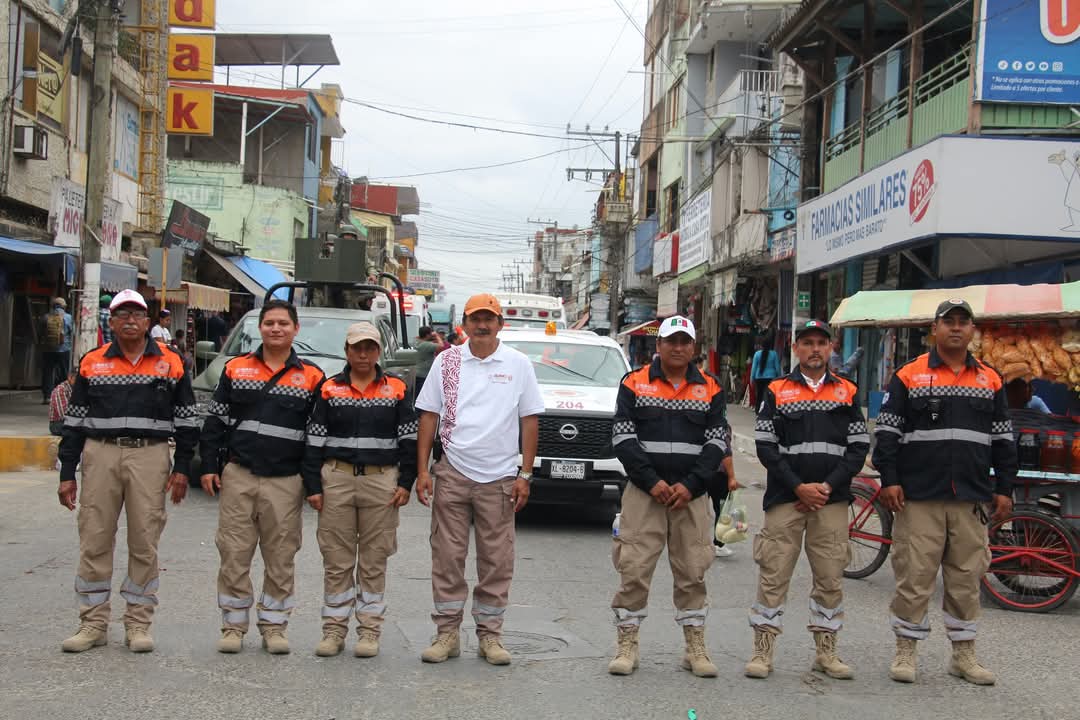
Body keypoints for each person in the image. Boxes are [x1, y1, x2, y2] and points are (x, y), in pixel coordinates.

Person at [874, 299, 1018, 686]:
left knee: (967, 578)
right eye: (948, 321)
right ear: (934, 329)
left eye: (962, 322)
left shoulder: (990, 379)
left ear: (972, 330)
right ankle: (906, 650)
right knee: (914, 576)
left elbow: (1004, 440)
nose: (956, 328)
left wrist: (1004, 487)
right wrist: (890, 479)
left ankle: (963, 655)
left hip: (971, 497)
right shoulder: (909, 375)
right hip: (919, 496)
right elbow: (886, 434)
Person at [57, 289, 196, 653]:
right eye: (122, 314)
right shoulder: (92, 362)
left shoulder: (171, 362)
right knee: (95, 538)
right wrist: (67, 472)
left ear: (147, 322)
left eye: (136, 314)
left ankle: (138, 623)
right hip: (100, 454)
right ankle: (93, 623)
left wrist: (182, 467)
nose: (130, 320)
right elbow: (74, 423)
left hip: (150, 456)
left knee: (144, 541)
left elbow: (186, 421)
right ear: (113, 322)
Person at [414, 293, 545, 666]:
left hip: (500, 477)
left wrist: (525, 473)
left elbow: (530, 419)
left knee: (496, 560)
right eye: (476, 319)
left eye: (489, 319)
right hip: (453, 472)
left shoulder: (518, 364)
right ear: (465, 325)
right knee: (447, 556)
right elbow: (429, 415)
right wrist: (423, 471)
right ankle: (447, 634)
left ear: (500, 324)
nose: (482, 325)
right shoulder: (447, 362)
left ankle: (490, 635)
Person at [607, 316, 732, 678]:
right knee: (634, 569)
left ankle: (695, 648)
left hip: (691, 497)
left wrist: (691, 485)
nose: (678, 348)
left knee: (693, 571)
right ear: (658, 345)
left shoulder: (710, 387)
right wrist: (653, 482)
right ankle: (627, 646)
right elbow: (623, 437)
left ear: (693, 347)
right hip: (645, 494)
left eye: (684, 342)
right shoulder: (633, 383)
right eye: (671, 341)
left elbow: (717, 441)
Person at [200, 300, 325, 655]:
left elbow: (316, 437)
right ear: (260, 328)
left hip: (285, 481)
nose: (276, 329)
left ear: (295, 329)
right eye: (269, 323)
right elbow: (215, 421)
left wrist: (312, 484)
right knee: (233, 553)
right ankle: (233, 626)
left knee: (281, 556)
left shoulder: (312, 377)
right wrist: (208, 465)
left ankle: (274, 627)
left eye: (283, 323)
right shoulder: (236, 368)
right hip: (239, 474)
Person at [746, 319, 868, 680]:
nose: (815, 349)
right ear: (796, 348)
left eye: (821, 343)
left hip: (831, 501)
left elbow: (858, 447)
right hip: (786, 499)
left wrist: (826, 487)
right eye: (808, 343)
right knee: (774, 574)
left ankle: (826, 653)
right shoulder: (777, 391)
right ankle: (762, 652)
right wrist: (798, 487)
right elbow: (766, 447)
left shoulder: (847, 391)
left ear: (830, 349)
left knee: (830, 577)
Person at [303, 322, 417, 658]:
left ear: (379, 351)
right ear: (347, 351)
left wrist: (405, 483)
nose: (363, 354)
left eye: (369, 348)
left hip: (381, 482)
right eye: (357, 348)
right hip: (336, 480)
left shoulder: (396, 389)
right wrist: (313, 486)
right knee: (336, 561)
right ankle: (333, 631)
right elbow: (314, 441)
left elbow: (409, 440)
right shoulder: (329, 389)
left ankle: (369, 631)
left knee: (374, 560)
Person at [695, 356, 737, 559]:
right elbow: (725, 452)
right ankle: (718, 544)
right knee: (722, 509)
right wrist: (732, 476)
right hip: (718, 473)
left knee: (701, 509)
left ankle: (699, 541)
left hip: (699, 471)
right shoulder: (720, 424)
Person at [40, 297, 73, 405]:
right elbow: (73, 333)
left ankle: (47, 396)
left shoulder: (46, 317)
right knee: (64, 372)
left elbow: (41, 332)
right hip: (64, 349)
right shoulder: (68, 317)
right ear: (64, 306)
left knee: (48, 372)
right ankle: (62, 396)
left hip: (48, 349)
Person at [413, 325, 442, 399]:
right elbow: (441, 346)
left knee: (418, 395)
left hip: (417, 373)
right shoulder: (426, 345)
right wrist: (437, 336)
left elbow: (417, 337)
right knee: (423, 396)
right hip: (424, 375)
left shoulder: (416, 342)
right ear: (427, 335)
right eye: (430, 334)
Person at [750, 338, 781, 407]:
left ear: (761, 345)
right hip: (771, 378)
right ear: (770, 345)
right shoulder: (774, 354)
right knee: (770, 396)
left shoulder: (757, 354)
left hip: (759, 378)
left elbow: (753, 368)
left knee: (759, 395)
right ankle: (768, 409)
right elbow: (777, 368)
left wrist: (751, 379)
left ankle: (758, 409)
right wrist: (779, 378)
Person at [48, 371, 76, 436]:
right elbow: (63, 414)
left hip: (72, 420)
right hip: (58, 423)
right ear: (70, 378)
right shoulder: (61, 390)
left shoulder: (76, 389)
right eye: (76, 379)